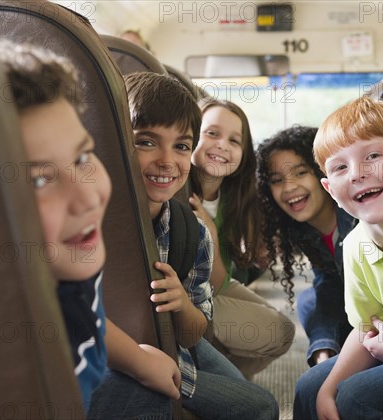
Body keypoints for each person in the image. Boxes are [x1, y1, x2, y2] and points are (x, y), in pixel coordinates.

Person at [0, 42, 179, 418]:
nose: (88, 198)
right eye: (38, 180)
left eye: (82, 157)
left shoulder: (64, 255)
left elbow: (88, 306)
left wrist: (139, 361)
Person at [124, 72, 279, 419]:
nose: (166, 160)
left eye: (180, 145)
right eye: (146, 142)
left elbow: (196, 328)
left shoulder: (189, 229)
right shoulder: (86, 216)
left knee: (261, 382)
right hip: (117, 356)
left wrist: (181, 304)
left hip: (179, 337)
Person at [293, 97, 383, 420]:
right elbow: (367, 330)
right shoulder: (355, 247)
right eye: (340, 168)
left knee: (355, 398)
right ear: (330, 189)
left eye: (373, 155)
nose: (357, 174)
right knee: (310, 388)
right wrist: (327, 388)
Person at [188, 98, 294, 379]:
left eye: (235, 141)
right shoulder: (178, 190)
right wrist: (207, 233)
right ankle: (216, 387)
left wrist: (211, 231)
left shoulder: (233, 198)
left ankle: (219, 385)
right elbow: (209, 282)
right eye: (212, 133)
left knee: (282, 331)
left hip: (218, 283)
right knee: (272, 331)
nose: (223, 144)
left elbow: (222, 279)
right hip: (192, 295)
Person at [256, 126, 356, 366]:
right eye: (277, 180)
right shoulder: (306, 232)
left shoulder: (356, 216)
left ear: (322, 172)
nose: (289, 187)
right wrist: (323, 348)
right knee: (311, 300)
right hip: (357, 312)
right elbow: (330, 286)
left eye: (300, 173)